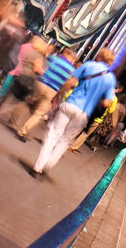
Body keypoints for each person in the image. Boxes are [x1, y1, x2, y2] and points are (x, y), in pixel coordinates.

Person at [30, 49, 116, 177]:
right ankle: (49, 163)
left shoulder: (88, 65)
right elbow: (106, 103)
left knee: (53, 133)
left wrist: (58, 95)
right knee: (65, 141)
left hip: (70, 104)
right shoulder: (111, 78)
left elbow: (70, 82)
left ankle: (38, 167)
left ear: (99, 56)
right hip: (84, 114)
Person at [16, 46, 77, 141]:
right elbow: (67, 84)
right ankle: (22, 131)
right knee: (39, 113)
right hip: (53, 90)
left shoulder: (53, 58)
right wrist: (58, 95)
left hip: (40, 83)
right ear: (72, 57)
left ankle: (15, 118)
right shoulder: (71, 70)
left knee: (30, 102)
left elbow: (40, 66)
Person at [0, 35, 50, 128]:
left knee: (7, 93)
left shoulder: (27, 49)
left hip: (18, 72)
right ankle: (9, 117)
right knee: (21, 99)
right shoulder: (38, 55)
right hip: (27, 77)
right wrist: (42, 72)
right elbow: (37, 68)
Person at [69, 84, 123, 152]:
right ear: (117, 90)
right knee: (86, 133)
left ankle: (67, 141)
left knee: (79, 127)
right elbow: (111, 110)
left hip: (89, 111)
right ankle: (73, 146)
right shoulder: (114, 99)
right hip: (98, 117)